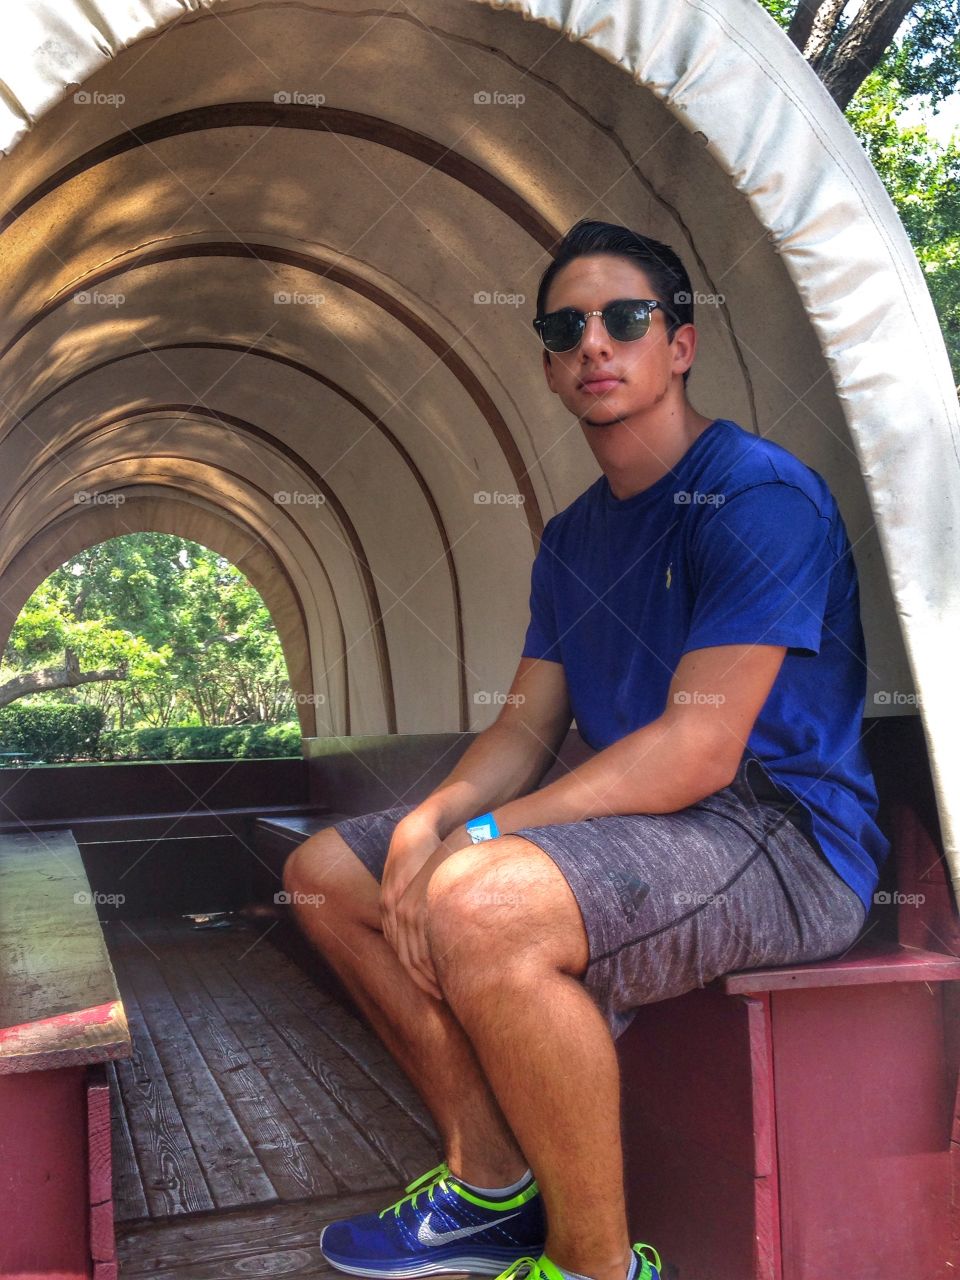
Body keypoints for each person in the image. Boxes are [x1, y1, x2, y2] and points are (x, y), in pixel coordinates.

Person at [282, 219, 890, 1280]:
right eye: (568, 328)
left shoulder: (755, 497)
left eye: (626, 318)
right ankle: (491, 1182)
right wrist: (428, 820)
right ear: (554, 366)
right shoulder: (572, 539)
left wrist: (473, 838)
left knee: (476, 896)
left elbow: (699, 748)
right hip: (649, 832)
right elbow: (525, 726)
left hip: (781, 838)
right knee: (330, 873)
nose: (596, 343)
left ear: (681, 343)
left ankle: (596, 1264)